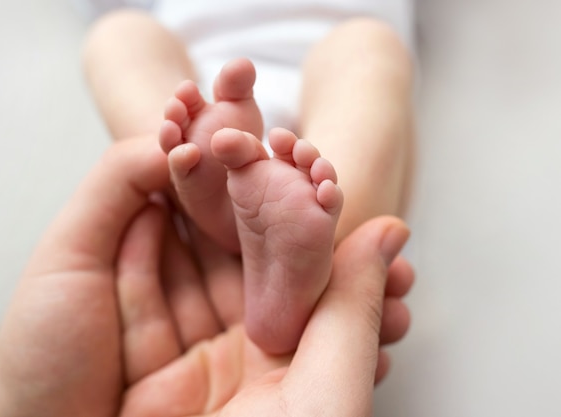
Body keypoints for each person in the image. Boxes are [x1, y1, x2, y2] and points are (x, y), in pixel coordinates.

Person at [0, 137, 412, 416]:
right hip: (315, 51)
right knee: (367, 49)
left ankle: (202, 166)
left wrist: (3, 403)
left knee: (118, 38)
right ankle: (209, 168)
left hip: (196, 60)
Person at [82, 0, 415, 354]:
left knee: (371, 44)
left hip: (331, 67)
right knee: (118, 32)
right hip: (195, 85)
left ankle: (320, 250)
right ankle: (207, 193)